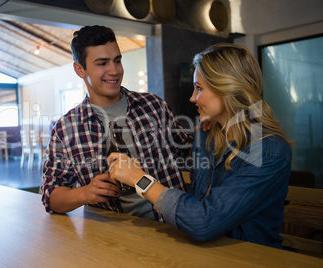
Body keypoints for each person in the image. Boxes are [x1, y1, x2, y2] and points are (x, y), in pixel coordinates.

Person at [108, 43, 293, 249]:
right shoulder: (207, 136)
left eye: (199, 88)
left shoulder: (268, 152)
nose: (192, 98)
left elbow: (203, 222)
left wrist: (140, 180)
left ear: (227, 88)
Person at [41, 25, 193, 222]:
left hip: (172, 228)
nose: (114, 70)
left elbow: (188, 152)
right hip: (112, 240)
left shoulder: (155, 106)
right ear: (80, 69)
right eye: (102, 63)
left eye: (117, 61)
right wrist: (85, 193)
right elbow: (50, 197)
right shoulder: (66, 128)